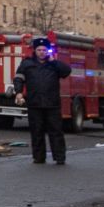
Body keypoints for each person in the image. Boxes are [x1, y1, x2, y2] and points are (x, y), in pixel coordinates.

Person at [15, 36, 73, 166]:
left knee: (56, 132)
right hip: (34, 103)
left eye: (44, 49)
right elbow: (18, 78)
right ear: (35, 50)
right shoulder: (27, 63)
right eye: (39, 49)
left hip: (52, 104)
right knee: (37, 132)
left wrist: (54, 61)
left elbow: (66, 71)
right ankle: (39, 157)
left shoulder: (53, 64)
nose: (42, 52)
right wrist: (18, 92)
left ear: (48, 51)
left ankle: (59, 157)